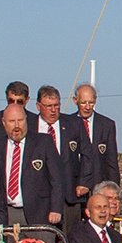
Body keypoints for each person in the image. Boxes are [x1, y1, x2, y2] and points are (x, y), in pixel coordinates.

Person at [0, 103, 63, 228]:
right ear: (3, 123)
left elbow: (57, 178)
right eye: (11, 121)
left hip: (40, 214)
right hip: (7, 215)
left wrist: (56, 208)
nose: (16, 126)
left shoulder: (44, 142)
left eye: (20, 120)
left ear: (26, 120)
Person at [33, 85, 85, 228]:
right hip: (40, 195)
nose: (53, 110)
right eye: (48, 106)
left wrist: (83, 182)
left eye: (56, 105)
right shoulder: (30, 126)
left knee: (70, 239)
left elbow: (87, 155)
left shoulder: (74, 124)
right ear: (38, 106)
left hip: (69, 194)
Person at [70, 83, 120, 201]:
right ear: (75, 100)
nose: (87, 107)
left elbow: (111, 161)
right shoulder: (67, 124)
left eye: (91, 103)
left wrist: (114, 191)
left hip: (99, 189)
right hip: (75, 189)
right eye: (83, 103)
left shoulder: (107, 125)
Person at [0, 80, 37, 149]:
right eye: (11, 101)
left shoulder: (35, 120)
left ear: (27, 100)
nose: (15, 104)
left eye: (19, 101)